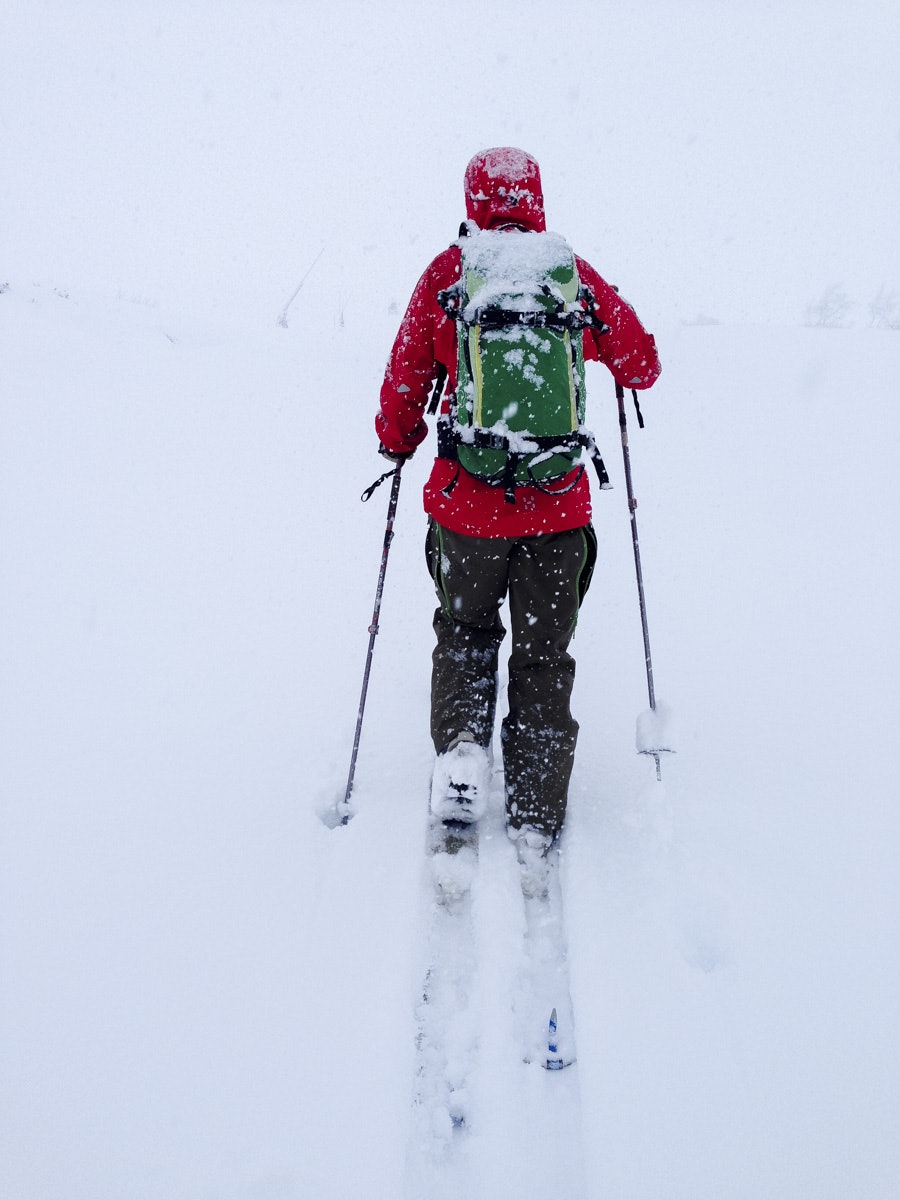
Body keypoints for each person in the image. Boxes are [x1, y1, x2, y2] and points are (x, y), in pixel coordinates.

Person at [376, 147, 660, 873]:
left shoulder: (452, 274)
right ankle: (537, 807)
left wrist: (397, 440)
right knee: (543, 657)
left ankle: (464, 753)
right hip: (558, 515)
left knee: (466, 631)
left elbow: (407, 374)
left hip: (467, 512)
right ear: (536, 197)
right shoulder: (569, 275)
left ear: (473, 199)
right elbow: (641, 362)